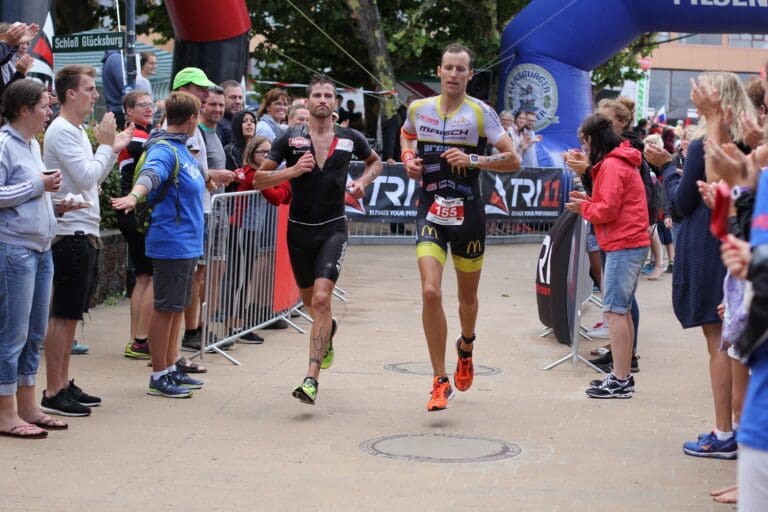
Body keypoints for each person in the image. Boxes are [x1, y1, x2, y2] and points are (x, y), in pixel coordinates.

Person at [400, 43, 520, 412]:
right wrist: (407, 158)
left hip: (468, 213)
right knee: (431, 293)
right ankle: (439, 380)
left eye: (460, 69)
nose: (453, 74)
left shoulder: (481, 114)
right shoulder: (419, 109)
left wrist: (474, 159)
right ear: (439, 71)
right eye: (448, 68)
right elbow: (407, 135)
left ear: (470, 75)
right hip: (430, 209)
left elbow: (513, 159)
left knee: (467, 300)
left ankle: (466, 346)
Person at [252, 74, 383, 405]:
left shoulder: (351, 138)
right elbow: (258, 179)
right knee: (313, 305)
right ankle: (327, 332)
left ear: (336, 103)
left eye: (329, 95)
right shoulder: (289, 139)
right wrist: (292, 172)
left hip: (333, 229)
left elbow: (376, 163)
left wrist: (364, 181)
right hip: (298, 231)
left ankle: (311, 378)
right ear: (307, 102)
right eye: (317, 95)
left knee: (322, 300)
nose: (323, 100)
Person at [42, 65, 133, 417]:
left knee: (71, 315)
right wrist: (108, 147)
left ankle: (62, 383)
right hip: (70, 234)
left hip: (83, 230)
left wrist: (110, 148)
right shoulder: (63, 130)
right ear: (71, 94)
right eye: (90, 89)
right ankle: (53, 389)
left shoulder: (76, 130)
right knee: (63, 316)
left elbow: (92, 182)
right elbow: (85, 178)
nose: (96, 95)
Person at [112, 91, 215, 399]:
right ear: (193, 119)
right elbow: (151, 175)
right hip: (171, 241)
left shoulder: (182, 149)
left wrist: (212, 176)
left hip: (185, 243)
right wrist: (134, 195)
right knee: (165, 308)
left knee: (175, 308)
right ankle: (159, 374)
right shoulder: (165, 148)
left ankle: (169, 368)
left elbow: (191, 178)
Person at [0, 79, 73, 438]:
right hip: (14, 248)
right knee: (12, 333)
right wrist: (38, 188)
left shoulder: (31, 145)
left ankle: (27, 405)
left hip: (40, 248)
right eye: (45, 106)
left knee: (33, 334)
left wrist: (56, 203)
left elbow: (27, 192)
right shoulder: (4, 144)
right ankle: (5, 411)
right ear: (24, 109)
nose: (49, 112)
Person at [566, 113, 650, 398]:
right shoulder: (616, 161)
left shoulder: (612, 165)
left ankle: (621, 378)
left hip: (623, 242)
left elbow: (608, 210)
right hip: (627, 240)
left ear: (590, 139)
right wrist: (589, 202)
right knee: (621, 311)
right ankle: (621, 376)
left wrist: (584, 208)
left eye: (584, 142)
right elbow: (609, 204)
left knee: (614, 312)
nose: (584, 148)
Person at [117, 91, 155, 360]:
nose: (149, 109)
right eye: (142, 105)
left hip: (131, 208)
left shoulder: (144, 133)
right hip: (133, 209)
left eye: (151, 104)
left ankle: (136, 338)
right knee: (150, 276)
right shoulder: (135, 136)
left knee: (143, 275)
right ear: (128, 111)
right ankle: (140, 339)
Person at [101, 50, 125, 128]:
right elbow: (125, 86)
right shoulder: (116, 58)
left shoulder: (111, 58)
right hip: (120, 111)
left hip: (115, 110)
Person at [216, 80, 244, 147]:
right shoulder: (216, 125)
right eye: (233, 97)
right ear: (221, 98)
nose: (238, 101)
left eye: (240, 97)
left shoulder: (245, 122)